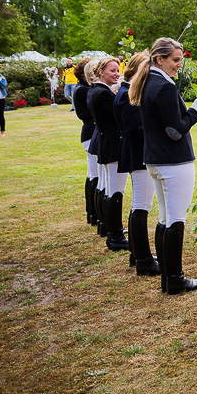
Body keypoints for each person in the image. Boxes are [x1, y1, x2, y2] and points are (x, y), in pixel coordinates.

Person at [133, 37, 197, 294]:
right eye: (175, 60)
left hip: (155, 159)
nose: (179, 65)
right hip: (173, 162)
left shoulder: (149, 82)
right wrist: (196, 111)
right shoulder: (163, 87)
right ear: (159, 59)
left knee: (164, 218)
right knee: (175, 219)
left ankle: (168, 277)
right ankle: (174, 279)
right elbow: (175, 130)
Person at [114, 51, 162, 277]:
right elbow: (133, 131)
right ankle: (143, 259)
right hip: (137, 154)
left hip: (137, 153)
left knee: (140, 204)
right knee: (141, 205)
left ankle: (137, 252)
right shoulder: (126, 94)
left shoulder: (127, 91)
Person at [86, 57, 130, 252]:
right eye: (112, 70)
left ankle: (110, 229)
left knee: (110, 190)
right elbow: (119, 115)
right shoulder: (102, 94)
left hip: (106, 144)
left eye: (118, 70)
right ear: (101, 71)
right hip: (112, 146)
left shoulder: (97, 91)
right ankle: (116, 236)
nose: (116, 74)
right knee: (115, 193)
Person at [71, 56, 98, 226]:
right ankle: (93, 213)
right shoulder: (83, 90)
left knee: (92, 175)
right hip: (90, 133)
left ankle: (92, 213)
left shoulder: (83, 88)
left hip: (90, 133)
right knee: (94, 176)